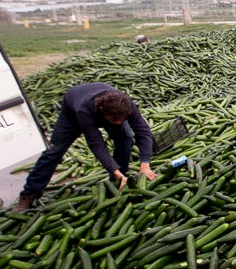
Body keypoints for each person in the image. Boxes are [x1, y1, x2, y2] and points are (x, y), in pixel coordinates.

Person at [12, 83, 156, 211]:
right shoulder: (84, 110)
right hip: (72, 112)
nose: (118, 122)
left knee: (126, 138)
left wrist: (145, 164)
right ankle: (29, 194)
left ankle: (118, 180)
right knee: (54, 152)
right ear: (103, 112)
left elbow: (142, 131)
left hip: (108, 107)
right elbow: (97, 144)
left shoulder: (126, 105)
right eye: (114, 120)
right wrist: (112, 167)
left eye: (122, 119)